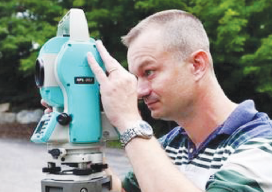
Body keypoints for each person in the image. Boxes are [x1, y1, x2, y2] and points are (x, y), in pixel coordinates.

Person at [58, 9, 272, 192]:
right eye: (136, 77)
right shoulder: (172, 144)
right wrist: (79, 138)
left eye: (149, 72)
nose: (139, 91)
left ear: (197, 65)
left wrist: (130, 122)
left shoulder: (262, 145)